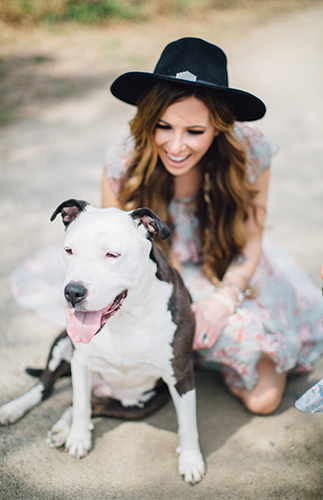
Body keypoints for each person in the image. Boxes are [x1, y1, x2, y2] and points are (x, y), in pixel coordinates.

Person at [100, 37, 323, 415]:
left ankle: (202, 353)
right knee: (114, 379)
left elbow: (252, 239)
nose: (175, 145)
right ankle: (193, 352)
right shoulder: (123, 161)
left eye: (195, 132)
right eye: (163, 126)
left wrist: (224, 299)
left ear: (219, 128)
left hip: (225, 270)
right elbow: (114, 257)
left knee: (265, 398)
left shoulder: (249, 152)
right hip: (156, 280)